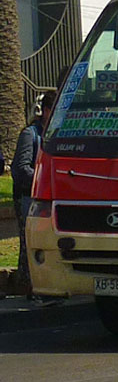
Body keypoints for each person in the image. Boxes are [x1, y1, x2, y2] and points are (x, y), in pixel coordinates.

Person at [11, 90, 56, 298]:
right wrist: (44, 181)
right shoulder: (31, 134)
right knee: (29, 244)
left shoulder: (55, 135)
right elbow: (21, 169)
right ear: (46, 111)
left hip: (48, 198)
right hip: (28, 197)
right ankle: (28, 288)